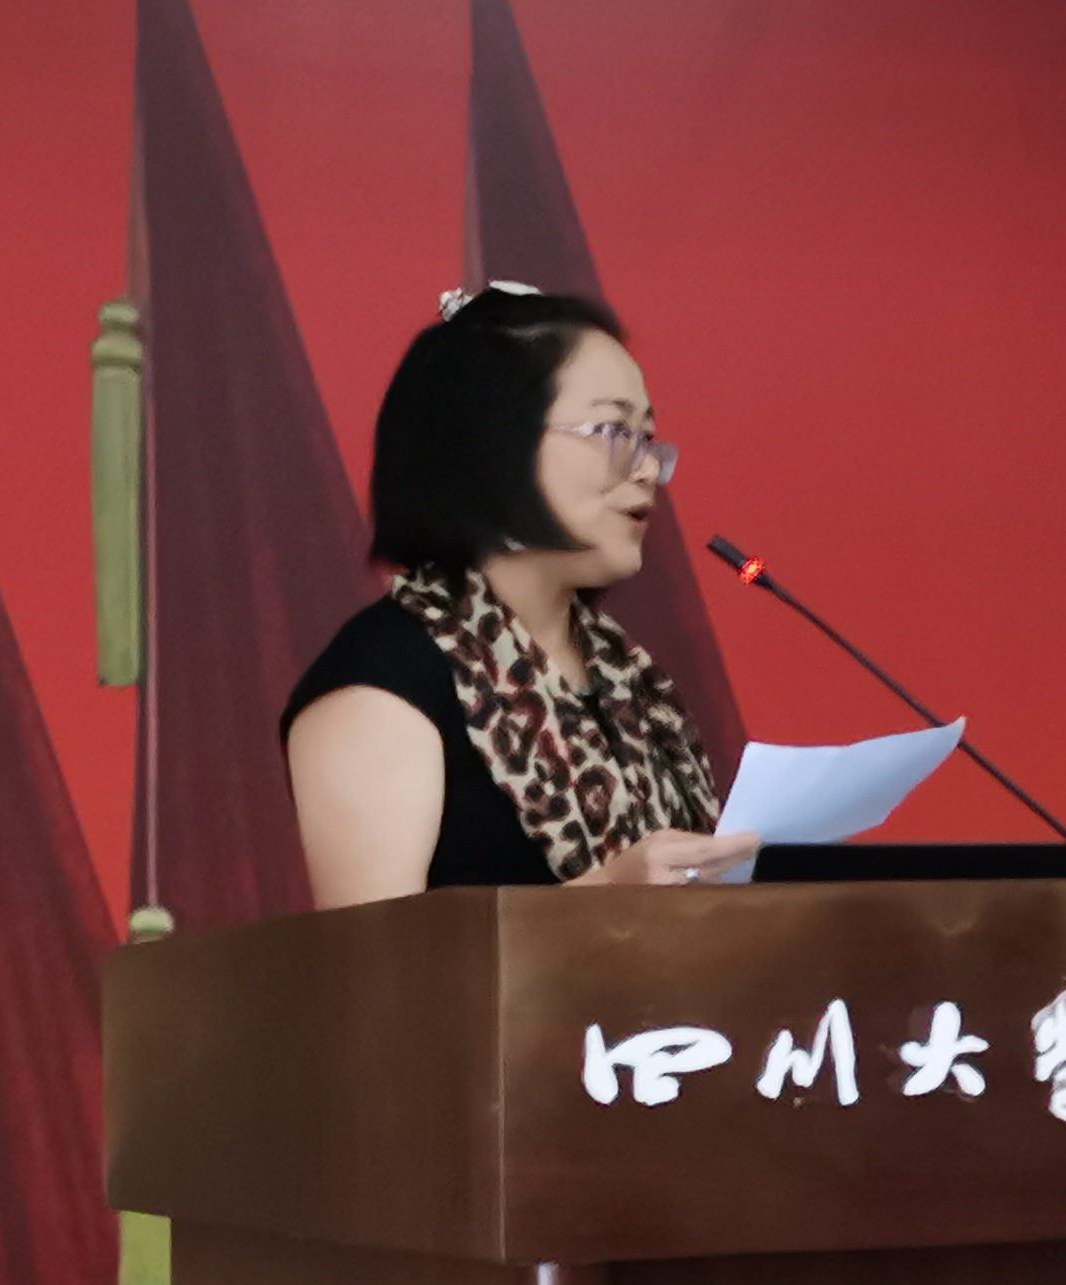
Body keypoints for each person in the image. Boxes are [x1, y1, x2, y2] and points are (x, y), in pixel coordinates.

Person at [283, 285, 757, 904]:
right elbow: (375, 956)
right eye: (615, 432)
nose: (646, 469)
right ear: (491, 443)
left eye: (648, 439)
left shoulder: (630, 679)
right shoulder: (383, 678)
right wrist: (607, 896)